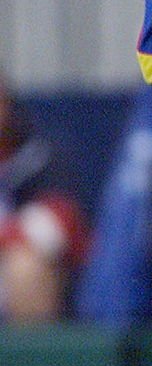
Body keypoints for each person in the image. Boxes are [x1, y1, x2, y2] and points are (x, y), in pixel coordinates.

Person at [0, 77, 89, 322]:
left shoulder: (41, 155)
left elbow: (56, 226)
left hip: (29, 273)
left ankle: (31, 361)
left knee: (25, 268)